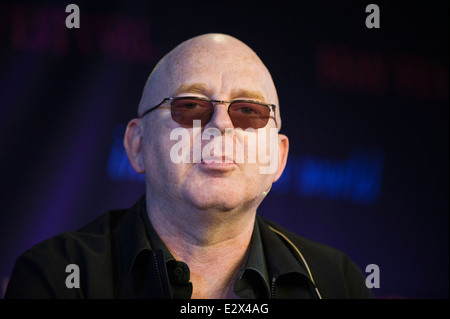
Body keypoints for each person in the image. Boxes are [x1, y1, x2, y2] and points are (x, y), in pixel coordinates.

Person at [5, 33, 373, 299]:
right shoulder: (56, 278)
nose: (221, 126)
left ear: (278, 158)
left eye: (248, 111)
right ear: (138, 145)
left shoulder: (338, 283)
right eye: (191, 107)